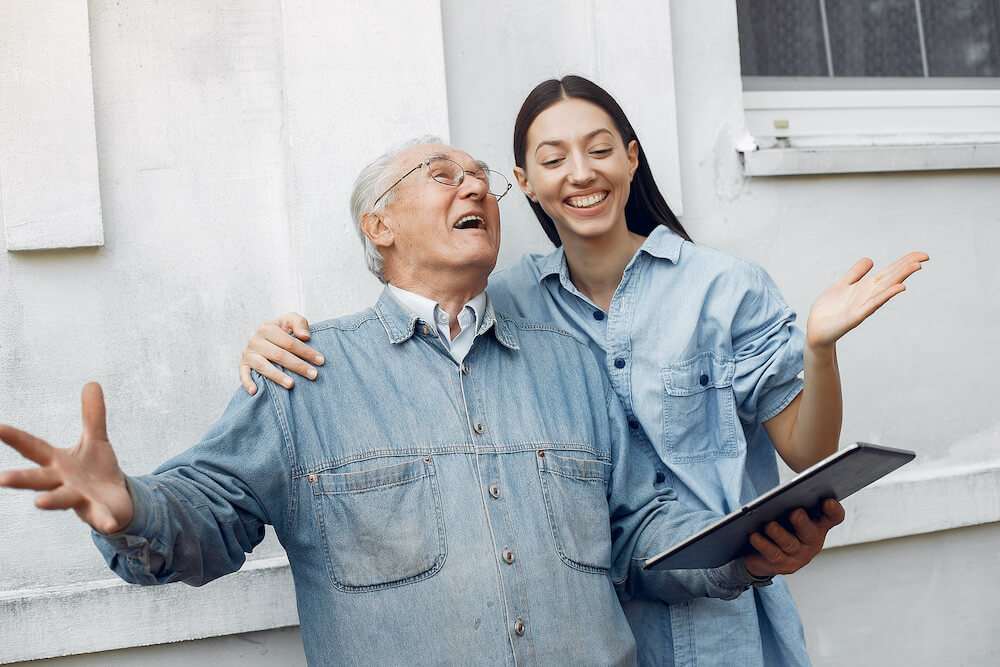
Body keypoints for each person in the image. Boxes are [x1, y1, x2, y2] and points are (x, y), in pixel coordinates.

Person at [0, 139, 845, 666]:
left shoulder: (573, 367)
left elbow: (641, 533)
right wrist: (128, 507)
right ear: (380, 225)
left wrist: (749, 551)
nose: (474, 187)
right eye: (443, 175)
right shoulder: (306, 372)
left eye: (482, 177)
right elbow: (209, 518)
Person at [238, 77, 927, 666]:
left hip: (724, 620)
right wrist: (273, 346)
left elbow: (807, 450)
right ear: (525, 183)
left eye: (600, 150)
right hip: (593, 631)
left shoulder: (726, 287)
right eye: (553, 158)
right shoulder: (501, 300)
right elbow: (413, 332)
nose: (581, 172)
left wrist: (820, 346)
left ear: (631, 160)